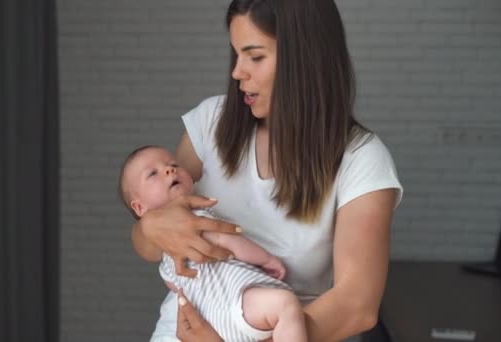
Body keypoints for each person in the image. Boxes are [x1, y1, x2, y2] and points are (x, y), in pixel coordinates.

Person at [131, 0, 404, 341]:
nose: (237, 72)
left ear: (305, 60)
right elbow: (150, 243)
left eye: (255, 57)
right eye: (236, 55)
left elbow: (356, 305)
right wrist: (150, 227)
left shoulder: (362, 160)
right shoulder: (209, 124)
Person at [119, 145, 307, 342]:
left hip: (203, 320)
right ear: (139, 207)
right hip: (236, 306)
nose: (169, 169)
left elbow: (176, 287)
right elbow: (230, 242)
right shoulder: (192, 219)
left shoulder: (165, 261)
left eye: (173, 164)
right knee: (286, 306)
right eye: (152, 173)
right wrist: (267, 259)